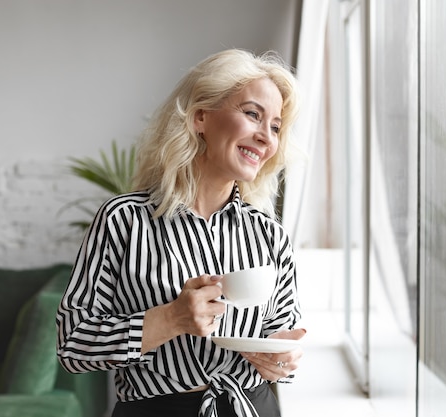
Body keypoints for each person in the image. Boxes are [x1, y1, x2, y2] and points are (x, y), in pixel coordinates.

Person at [56, 48, 305, 417]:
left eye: (275, 127)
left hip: (252, 407)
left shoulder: (270, 235)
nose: (266, 138)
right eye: (253, 114)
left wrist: (281, 359)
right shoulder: (124, 220)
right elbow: (72, 346)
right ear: (201, 117)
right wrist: (170, 319)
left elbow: (283, 342)